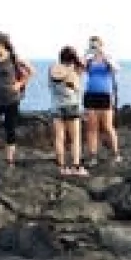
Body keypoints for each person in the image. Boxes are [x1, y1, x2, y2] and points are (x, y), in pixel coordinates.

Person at [0, 31, 34, 167]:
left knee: (10, 129)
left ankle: (9, 159)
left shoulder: (14, 58)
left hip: (11, 100)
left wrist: (20, 84)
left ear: (2, 44)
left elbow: (31, 71)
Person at [82, 36, 122, 166]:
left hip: (105, 95)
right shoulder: (88, 60)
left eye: (95, 44)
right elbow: (80, 69)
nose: (94, 47)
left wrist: (104, 56)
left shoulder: (108, 58)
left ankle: (115, 154)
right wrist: (86, 54)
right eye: (91, 44)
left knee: (107, 126)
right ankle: (92, 156)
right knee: (91, 128)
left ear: (101, 45)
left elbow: (116, 69)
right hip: (90, 95)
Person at [48, 46, 88, 176]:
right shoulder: (73, 71)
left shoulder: (53, 68)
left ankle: (62, 166)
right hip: (72, 106)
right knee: (75, 138)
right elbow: (77, 87)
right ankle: (76, 166)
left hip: (56, 106)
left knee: (59, 138)